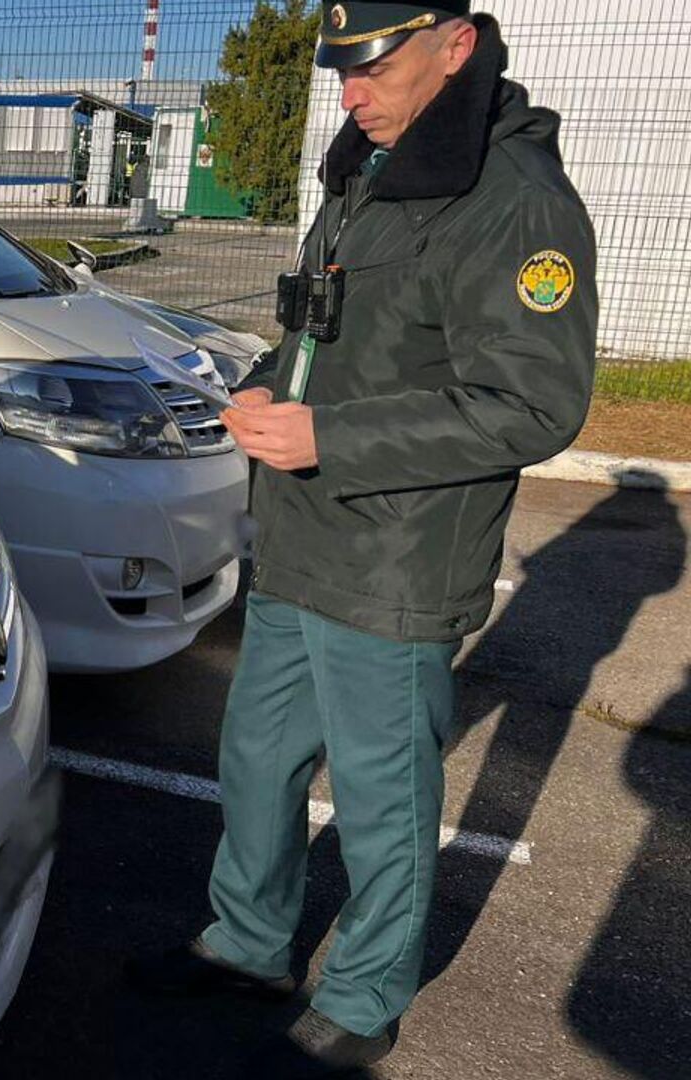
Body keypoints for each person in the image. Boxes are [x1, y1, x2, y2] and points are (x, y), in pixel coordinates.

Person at [126, 3, 598, 1076]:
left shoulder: (513, 200)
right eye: (341, 70)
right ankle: (246, 945)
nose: (350, 93)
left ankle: (366, 995)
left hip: (396, 556)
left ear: (457, 46)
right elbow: (317, 328)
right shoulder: (369, 168)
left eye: (372, 66)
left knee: (385, 797)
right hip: (299, 537)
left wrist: (327, 434)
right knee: (255, 760)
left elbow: (533, 404)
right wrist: (258, 394)